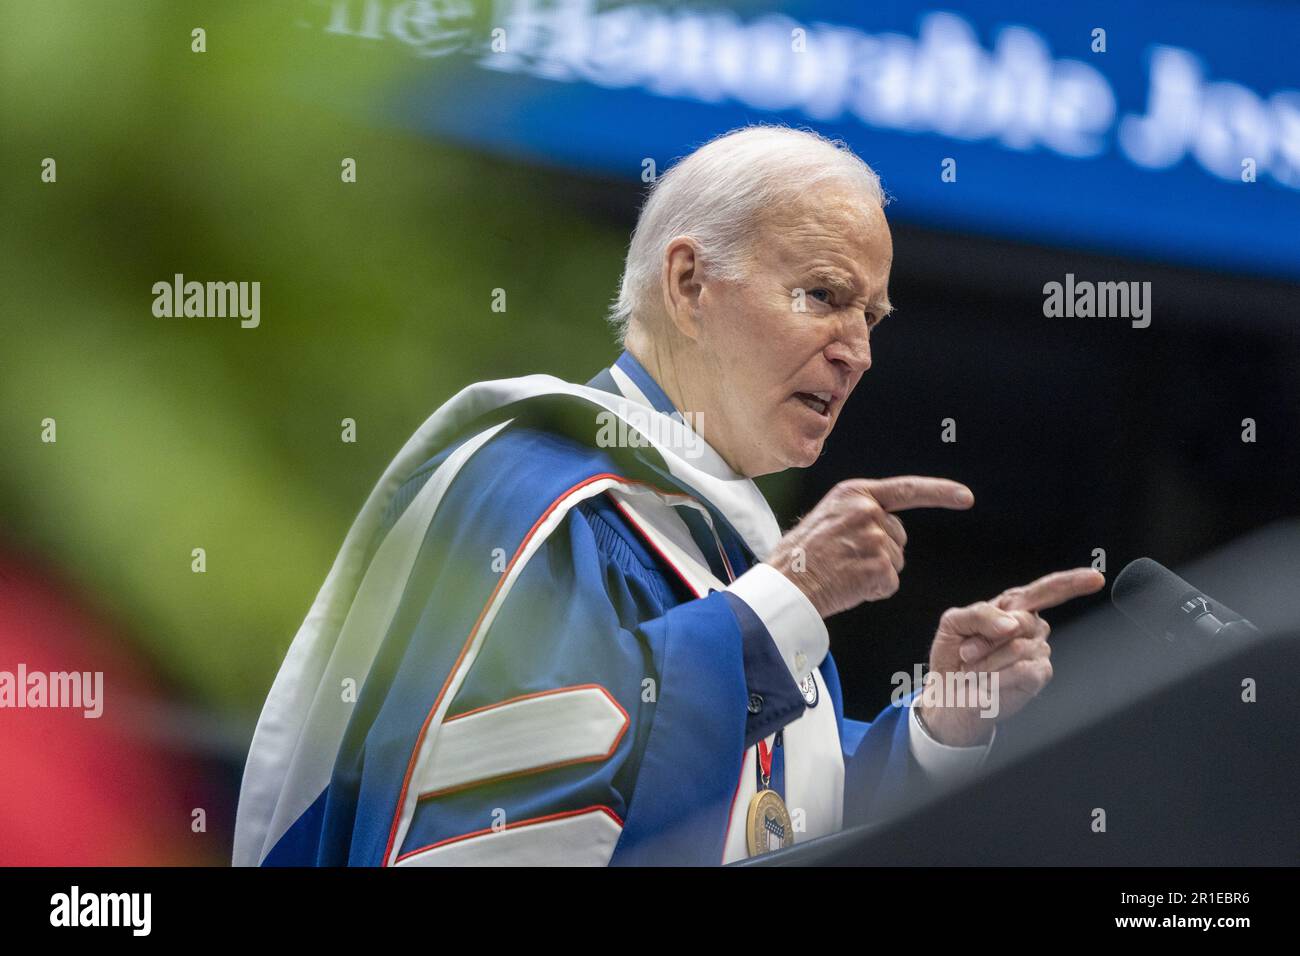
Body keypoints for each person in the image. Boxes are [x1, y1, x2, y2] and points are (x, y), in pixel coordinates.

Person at [232, 124, 1103, 866]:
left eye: (870, 319)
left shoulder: (724, 553)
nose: (857, 352)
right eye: (824, 296)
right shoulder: (537, 497)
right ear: (688, 286)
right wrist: (783, 600)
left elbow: (779, 813)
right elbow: (524, 819)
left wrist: (940, 726)